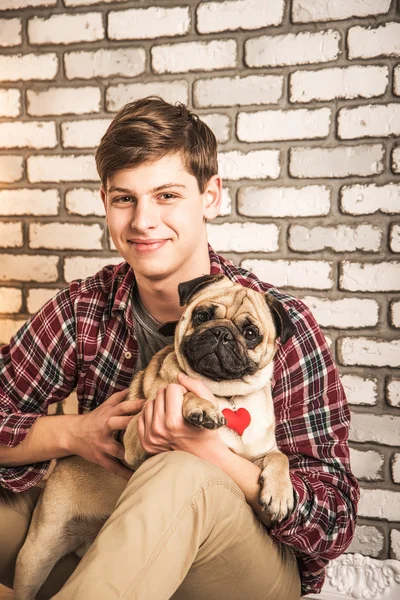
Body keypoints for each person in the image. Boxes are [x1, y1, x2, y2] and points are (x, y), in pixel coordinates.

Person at [0, 96, 359, 600]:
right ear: (105, 202)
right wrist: (75, 433)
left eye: (166, 195)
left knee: (178, 468)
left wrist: (214, 455)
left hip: (238, 567)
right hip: (109, 528)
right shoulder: (81, 309)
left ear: (210, 195)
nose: (144, 220)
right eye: (125, 198)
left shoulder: (284, 323)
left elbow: (335, 519)